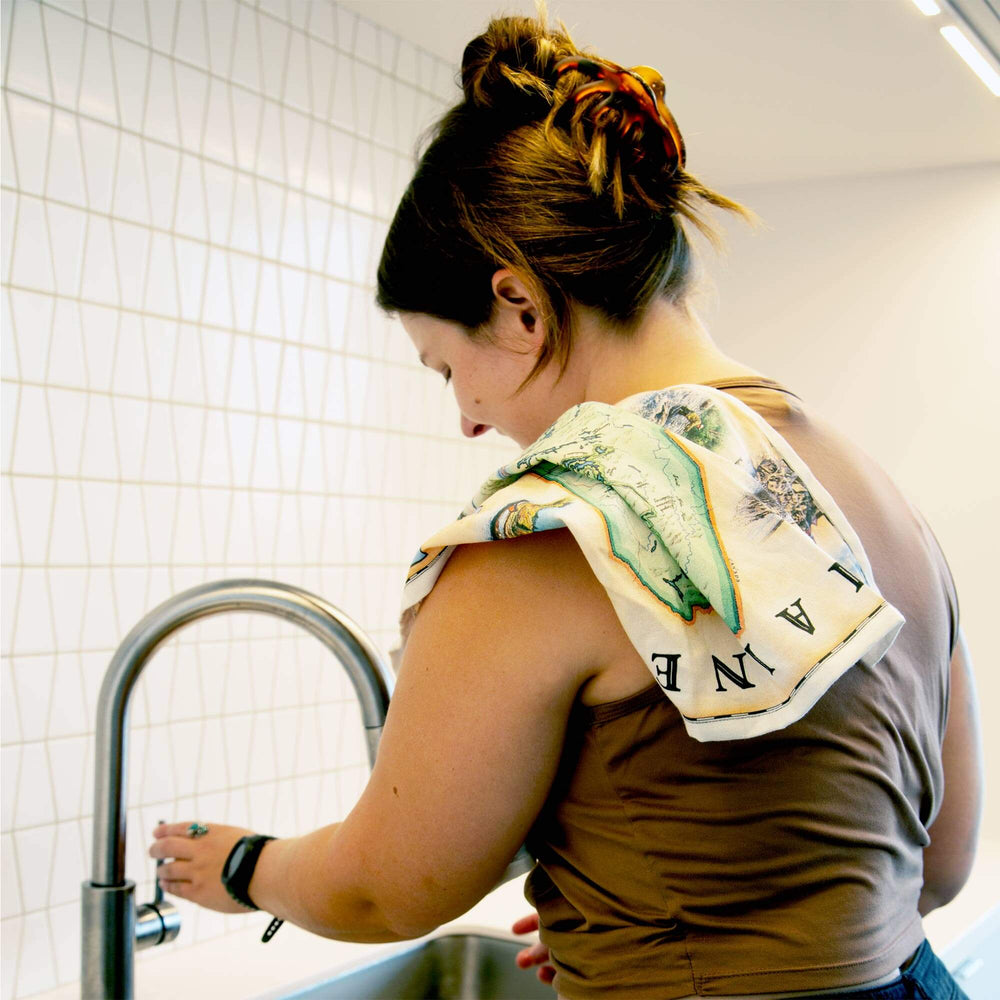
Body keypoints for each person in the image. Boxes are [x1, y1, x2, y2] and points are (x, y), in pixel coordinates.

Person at [149, 6, 983, 998]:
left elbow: (389, 887)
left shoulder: (556, 529)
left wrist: (245, 867)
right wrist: (632, 906)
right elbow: (938, 864)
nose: (466, 418)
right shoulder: (866, 491)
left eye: (446, 367)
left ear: (519, 307)